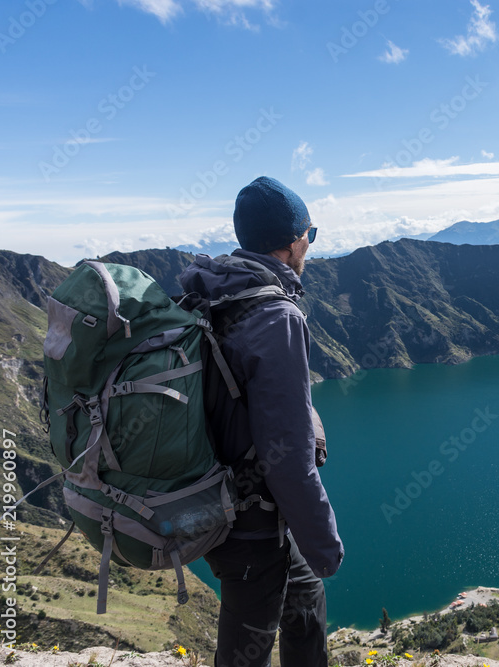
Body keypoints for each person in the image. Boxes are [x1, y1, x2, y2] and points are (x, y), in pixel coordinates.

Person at [179, 176, 344, 667]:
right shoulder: (276, 317)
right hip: (248, 523)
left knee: (305, 601)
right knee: (244, 652)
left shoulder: (211, 292)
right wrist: (326, 542)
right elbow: (288, 455)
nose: (309, 247)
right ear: (293, 240)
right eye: (309, 236)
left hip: (221, 495)